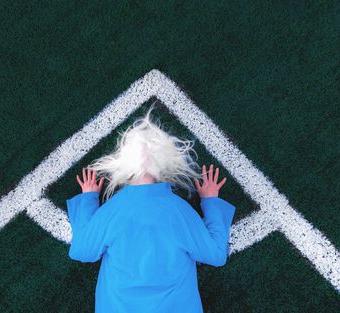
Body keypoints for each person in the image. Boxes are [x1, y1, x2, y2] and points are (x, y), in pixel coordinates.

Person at [66, 105, 236, 313]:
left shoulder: (112, 211)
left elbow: (82, 251)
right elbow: (216, 255)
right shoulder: (180, 211)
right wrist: (210, 201)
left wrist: (88, 199)